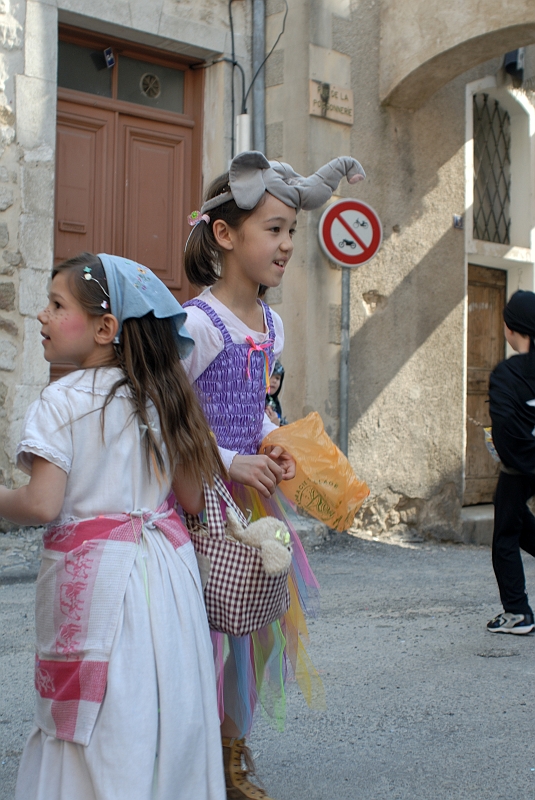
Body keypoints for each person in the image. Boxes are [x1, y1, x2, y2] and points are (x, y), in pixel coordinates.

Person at [9, 253, 227, 800]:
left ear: (106, 328)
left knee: (94, 716)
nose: (42, 315)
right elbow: (192, 497)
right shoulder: (163, 398)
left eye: (57, 305)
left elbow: (41, 504)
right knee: (165, 702)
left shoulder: (61, 400)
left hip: (96, 584)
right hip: (169, 580)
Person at [183, 150, 365, 799]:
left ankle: (231, 753)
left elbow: (258, 403)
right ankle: (189, 757)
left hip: (253, 503)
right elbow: (166, 414)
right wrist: (228, 458)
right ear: (225, 234)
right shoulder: (197, 324)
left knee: (255, 632)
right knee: (201, 634)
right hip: (199, 500)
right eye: (274, 229)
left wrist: (269, 441)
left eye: (292, 229)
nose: (288, 243)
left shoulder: (271, 324)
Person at [487, 289, 535, 635]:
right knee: (518, 521)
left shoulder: (507, 374)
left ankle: (517, 612)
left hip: (519, 467)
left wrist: (508, 454)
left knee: (505, 534)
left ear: (510, 328)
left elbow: (505, 426)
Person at [265, 360, 287, 426]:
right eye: (271, 376)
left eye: (277, 378)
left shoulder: (275, 403)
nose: (274, 381)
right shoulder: (257, 402)